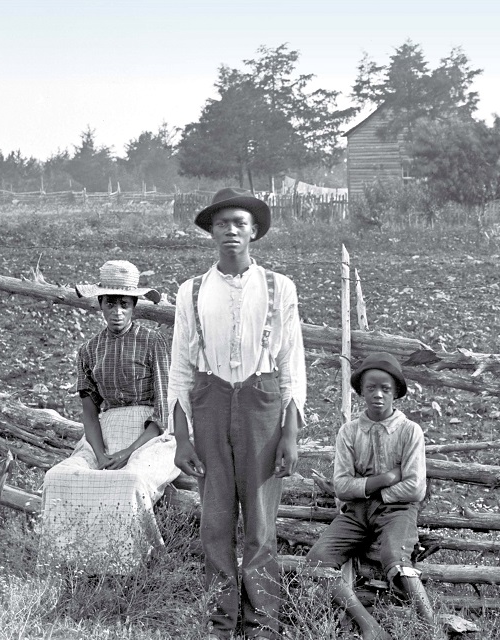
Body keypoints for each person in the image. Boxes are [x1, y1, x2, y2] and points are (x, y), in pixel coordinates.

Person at [169, 188, 306, 639]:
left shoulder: (278, 286)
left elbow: (291, 362)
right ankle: (219, 620)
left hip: (262, 403)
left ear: (254, 232)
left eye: (240, 222)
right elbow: (180, 366)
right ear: (211, 231)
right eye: (222, 222)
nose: (231, 229)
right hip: (209, 400)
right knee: (215, 519)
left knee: (261, 523)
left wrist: (291, 431)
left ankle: (262, 620)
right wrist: (182, 436)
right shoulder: (190, 291)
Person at [40, 260, 179, 574]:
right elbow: (90, 410)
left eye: (124, 304)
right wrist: (100, 452)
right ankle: (73, 562)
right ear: (100, 304)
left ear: (133, 306)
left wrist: (126, 454)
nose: (117, 311)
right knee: (58, 477)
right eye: (110, 304)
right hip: (105, 430)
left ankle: (132, 565)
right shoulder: (90, 349)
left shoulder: (152, 342)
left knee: (130, 480)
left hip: (152, 435)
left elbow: (162, 410)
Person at [306, 353, 437, 640]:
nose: (378, 395)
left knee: (396, 557)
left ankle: (433, 629)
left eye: (385, 389)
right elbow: (341, 486)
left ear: (396, 393)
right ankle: (371, 628)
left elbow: (415, 488)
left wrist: (369, 489)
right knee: (317, 561)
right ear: (361, 391)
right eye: (370, 388)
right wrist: (386, 478)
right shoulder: (349, 432)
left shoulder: (409, 431)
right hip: (356, 513)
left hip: (398, 510)